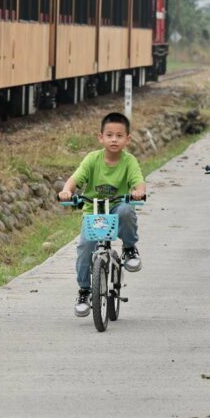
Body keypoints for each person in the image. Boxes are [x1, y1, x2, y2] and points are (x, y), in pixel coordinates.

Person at [59, 112, 147, 317]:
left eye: (119, 135)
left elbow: (138, 180)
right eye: (109, 135)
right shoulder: (92, 159)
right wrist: (67, 191)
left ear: (127, 139)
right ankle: (84, 291)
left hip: (117, 207)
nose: (114, 139)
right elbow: (75, 179)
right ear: (100, 137)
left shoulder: (129, 161)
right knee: (84, 247)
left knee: (126, 210)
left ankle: (129, 248)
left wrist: (138, 191)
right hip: (94, 210)